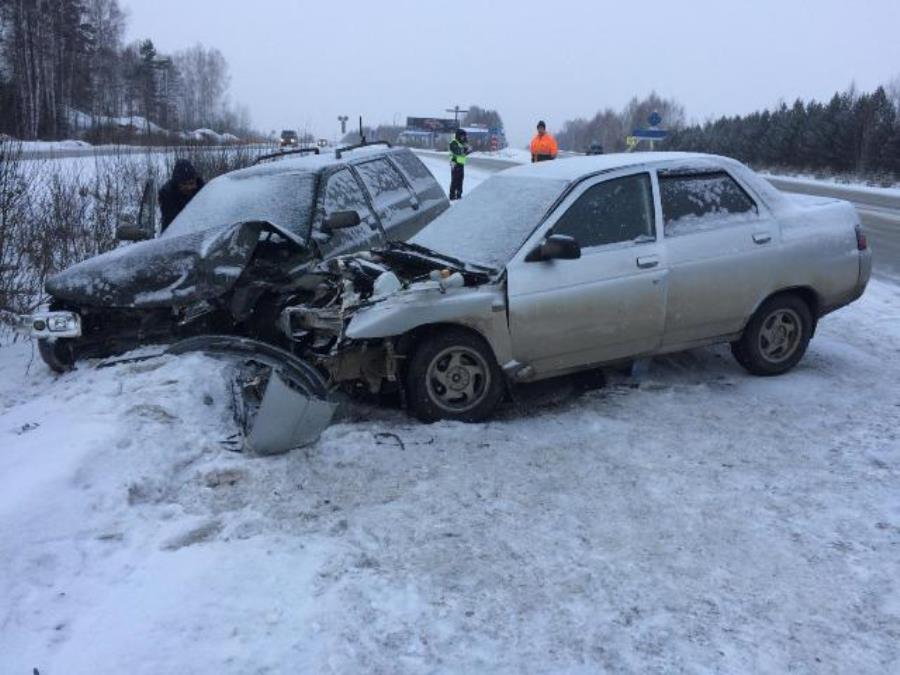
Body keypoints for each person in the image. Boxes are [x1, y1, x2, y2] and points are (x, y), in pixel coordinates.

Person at [158, 159, 205, 232]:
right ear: (177, 184)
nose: (189, 187)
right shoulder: (167, 195)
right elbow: (172, 224)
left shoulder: (204, 190)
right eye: (184, 184)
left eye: (191, 183)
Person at [448, 129, 471, 201]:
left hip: (460, 163)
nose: (464, 137)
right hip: (454, 163)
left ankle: (459, 195)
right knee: (454, 181)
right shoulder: (454, 143)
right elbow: (458, 152)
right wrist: (466, 149)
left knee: (460, 180)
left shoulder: (461, 143)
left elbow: (463, 154)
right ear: (458, 136)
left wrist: (468, 150)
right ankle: (452, 196)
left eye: (464, 136)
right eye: (462, 136)